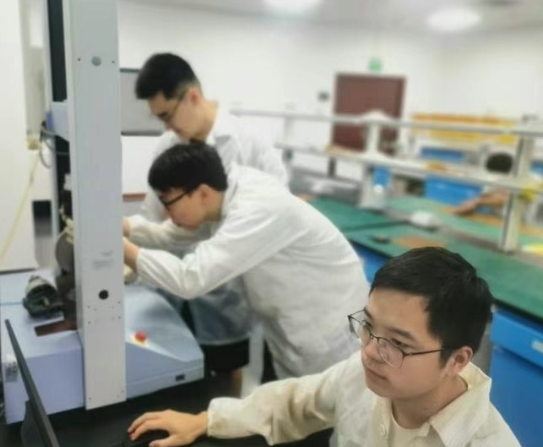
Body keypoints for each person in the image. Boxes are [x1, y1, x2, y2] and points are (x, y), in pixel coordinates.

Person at [126, 247, 521, 447]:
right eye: (368, 326)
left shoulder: (485, 441)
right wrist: (207, 420)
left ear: (457, 360)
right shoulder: (361, 377)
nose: (370, 352)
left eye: (398, 343)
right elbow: (295, 402)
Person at [123, 142, 369, 380]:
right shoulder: (223, 193)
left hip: (325, 332)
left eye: (168, 202)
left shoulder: (255, 208)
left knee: (325, 402)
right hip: (291, 328)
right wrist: (122, 227)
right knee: (289, 399)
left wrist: (123, 250)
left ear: (203, 193)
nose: (165, 213)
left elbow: (190, 279)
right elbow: (172, 234)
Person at [128, 53, 288, 391]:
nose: (166, 127)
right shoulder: (167, 145)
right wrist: (133, 257)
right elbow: (153, 212)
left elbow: (273, 216)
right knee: (171, 367)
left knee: (226, 369)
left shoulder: (248, 144)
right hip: (171, 283)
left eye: (167, 115)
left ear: (192, 96)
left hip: (226, 290)